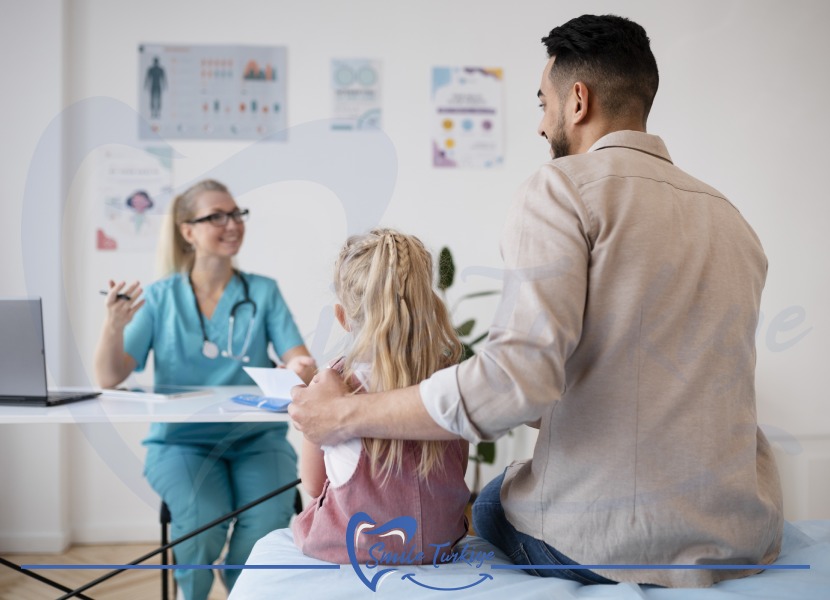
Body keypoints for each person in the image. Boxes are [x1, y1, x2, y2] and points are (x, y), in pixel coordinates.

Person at [289, 14, 783, 589]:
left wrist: (342, 415)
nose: (540, 123)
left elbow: (514, 385)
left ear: (578, 100)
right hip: (743, 536)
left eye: (542, 102)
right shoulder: (731, 218)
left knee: (497, 499)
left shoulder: (563, 188)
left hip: (612, 543)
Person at [94, 179, 316, 600]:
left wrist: (300, 366)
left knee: (268, 517)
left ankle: (244, 592)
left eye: (236, 214)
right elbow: (110, 376)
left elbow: (298, 359)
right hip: (181, 442)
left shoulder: (262, 291)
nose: (232, 224)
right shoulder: (160, 297)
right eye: (217, 216)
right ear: (187, 230)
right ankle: (192, 595)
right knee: (202, 519)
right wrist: (113, 327)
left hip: (257, 439)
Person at [291, 228, 470, 563]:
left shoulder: (333, 384)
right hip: (439, 545)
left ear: (342, 317)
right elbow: (458, 463)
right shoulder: (452, 380)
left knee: (304, 520)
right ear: (426, 305)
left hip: (354, 549)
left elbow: (314, 486)